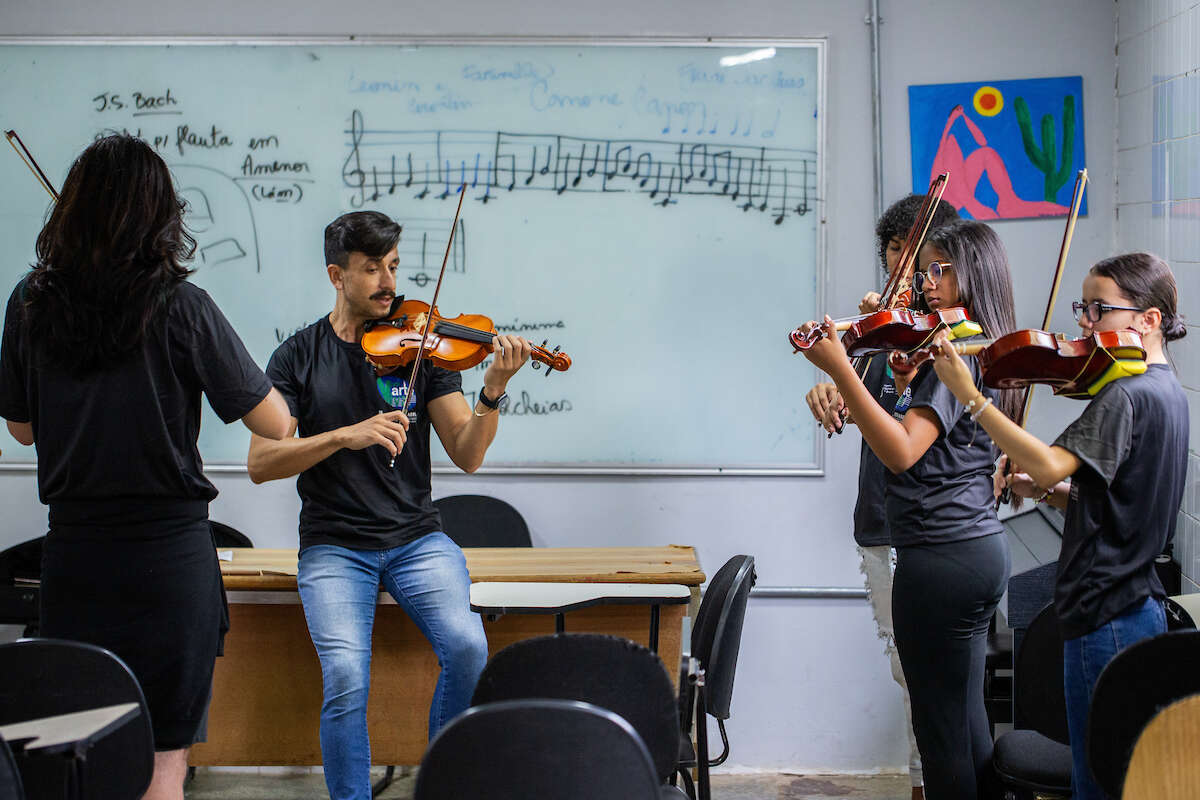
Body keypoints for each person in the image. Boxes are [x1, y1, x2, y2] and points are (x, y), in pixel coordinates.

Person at [0, 134, 291, 800]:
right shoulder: (180, 304)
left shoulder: (30, 302)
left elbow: (20, 429)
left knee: (78, 751)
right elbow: (275, 423)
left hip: (76, 559)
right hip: (169, 568)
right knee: (163, 761)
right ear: (161, 216)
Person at [246, 209, 534, 800]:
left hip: (416, 539)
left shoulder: (422, 349)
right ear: (336, 275)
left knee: (468, 645)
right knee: (347, 676)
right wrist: (342, 436)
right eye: (372, 267)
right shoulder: (297, 355)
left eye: (395, 266)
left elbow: (467, 452)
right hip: (333, 545)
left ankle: (440, 786)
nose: (388, 282)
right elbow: (260, 463)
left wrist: (493, 390)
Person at [927, 252, 1189, 800]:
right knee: (1115, 775)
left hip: (1106, 612)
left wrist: (971, 397)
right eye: (1084, 307)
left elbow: (1048, 460)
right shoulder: (1169, 389)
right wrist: (1048, 491)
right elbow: (1121, 501)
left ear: (1150, 320)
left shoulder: (1128, 394)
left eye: (1100, 310)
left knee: (1096, 783)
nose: (1085, 324)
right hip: (1136, 606)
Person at [796, 219, 1019, 800]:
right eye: (923, 272)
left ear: (974, 275)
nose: (925, 283)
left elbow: (900, 452)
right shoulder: (970, 348)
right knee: (968, 730)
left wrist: (841, 368)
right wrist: (895, 384)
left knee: (941, 738)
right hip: (974, 548)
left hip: (940, 557)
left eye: (938, 270)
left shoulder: (957, 354)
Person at [804, 193, 958, 800]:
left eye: (918, 256)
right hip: (880, 520)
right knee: (908, 674)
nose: (902, 268)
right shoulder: (881, 337)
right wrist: (829, 393)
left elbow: (907, 443)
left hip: (928, 530)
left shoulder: (947, 341)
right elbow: (862, 408)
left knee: (926, 681)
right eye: (894, 252)